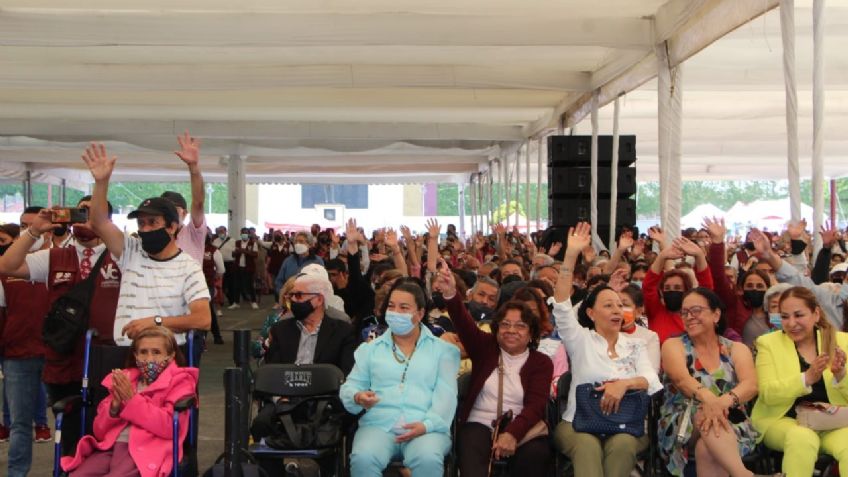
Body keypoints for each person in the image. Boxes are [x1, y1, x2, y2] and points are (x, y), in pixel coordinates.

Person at [551, 222, 662, 477]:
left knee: (622, 444)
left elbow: (651, 380)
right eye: (608, 305)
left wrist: (623, 385)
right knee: (588, 445)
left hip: (627, 425)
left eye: (619, 305)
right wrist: (570, 255)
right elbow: (561, 304)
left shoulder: (635, 345)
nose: (616, 310)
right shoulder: (580, 339)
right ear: (590, 313)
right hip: (577, 423)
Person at [81, 142, 211, 349]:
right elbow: (99, 222)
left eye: (153, 223)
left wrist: (156, 323)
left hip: (167, 359)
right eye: (141, 223)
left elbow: (203, 319)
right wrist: (101, 182)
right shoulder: (131, 251)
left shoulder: (189, 267)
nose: (146, 229)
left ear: (172, 227)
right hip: (126, 354)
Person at [437, 267, 553, 477]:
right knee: (472, 457)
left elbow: (536, 406)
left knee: (536, 456)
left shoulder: (541, 363)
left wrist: (512, 434)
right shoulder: (485, 348)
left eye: (520, 326)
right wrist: (450, 294)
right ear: (497, 328)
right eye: (505, 324)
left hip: (523, 426)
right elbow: (464, 323)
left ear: (531, 332)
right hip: (479, 423)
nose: (511, 330)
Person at [340, 281, 460, 476]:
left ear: (420, 314)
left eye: (404, 308)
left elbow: (446, 396)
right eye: (391, 306)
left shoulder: (444, 351)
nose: (395, 312)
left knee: (427, 458)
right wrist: (357, 397)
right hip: (378, 426)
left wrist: (426, 425)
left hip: (426, 427)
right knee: (363, 458)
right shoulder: (370, 350)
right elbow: (351, 386)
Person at [60, 327, 198, 477]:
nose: (149, 358)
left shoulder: (180, 382)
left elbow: (170, 427)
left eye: (156, 352)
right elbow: (99, 432)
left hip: (147, 449)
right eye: (143, 352)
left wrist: (132, 400)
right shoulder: (125, 379)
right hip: (110, 447)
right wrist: (114, 408)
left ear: (171, 356)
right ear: (135, 355)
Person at [657, 288, 761, 477]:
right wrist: (710, 402)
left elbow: (751, 385)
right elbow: (682, 380)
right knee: (705, 416)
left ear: (716, 314)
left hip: (731, 422)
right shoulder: (674, 345)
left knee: (707, 448)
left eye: (696, 310)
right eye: (685, 312)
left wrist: (720, 404)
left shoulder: (736, 349)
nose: (689, 317)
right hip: (683, 421)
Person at [751, 286, 848, 477]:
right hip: (783, 421)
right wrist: (806, 379)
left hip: (832, 423)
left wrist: (841, 375)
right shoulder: (767, 343)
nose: (791, 323)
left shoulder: (842, 341)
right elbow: (768, 394)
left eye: (798, 315)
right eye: (785, 316)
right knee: (802, 437)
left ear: (816, 314)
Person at [0, 215, 52, 477]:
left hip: (58, 353)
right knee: (20, 423)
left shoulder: (61, 261)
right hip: (18, 354)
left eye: (36, 224)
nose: (31, 230)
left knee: (74, 416)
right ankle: (16, 473)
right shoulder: (5, 271)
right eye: (24, 226)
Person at [264, 271, 357, 373]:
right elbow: (272, 373)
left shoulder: (343, 332)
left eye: (299, 295)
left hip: (325, 387)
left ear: (319, 300)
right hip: (286, 387)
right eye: (291, 296)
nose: (293, 300)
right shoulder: (280, 330)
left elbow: (346, 375)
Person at [644, 226, 714, 344]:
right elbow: (648, 286)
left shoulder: (696, 315)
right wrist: (662, 256)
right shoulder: (656, 312)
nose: (672, 291)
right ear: (661, 291)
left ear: (687, 291)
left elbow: (707, 288)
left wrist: (699, 255)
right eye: (667, 288)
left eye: (677, 288)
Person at [229, 227, 260, 309]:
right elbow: (233, 254)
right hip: (238, 267)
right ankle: (236, 302)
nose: (244, 235)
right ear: (240, 234)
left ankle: (253, 302)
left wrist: (245, 251)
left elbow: (255, 254)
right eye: (243, 233)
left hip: (249, 267)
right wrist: (238, 252)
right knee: (237, 285)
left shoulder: (253, 243)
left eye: (246, 233)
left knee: (250, 285)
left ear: (248, 234)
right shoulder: (237, 243)